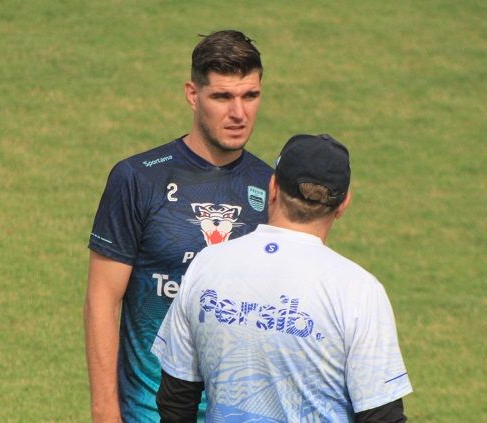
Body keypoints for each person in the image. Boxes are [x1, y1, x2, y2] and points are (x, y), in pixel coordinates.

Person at [152, 134, 413, 422]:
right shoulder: (359, 291)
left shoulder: (207, 265)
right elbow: (383, 416)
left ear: (273, 187)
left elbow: (175, 400)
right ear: (343, 204)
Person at [84, 30, 272, 422]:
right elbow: (103, 298)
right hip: (148, 413)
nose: (238, 113)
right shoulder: (137, 179)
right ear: (192, 94)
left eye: (249, 96)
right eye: (222, 97)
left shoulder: (270, 187)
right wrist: (104, 412)